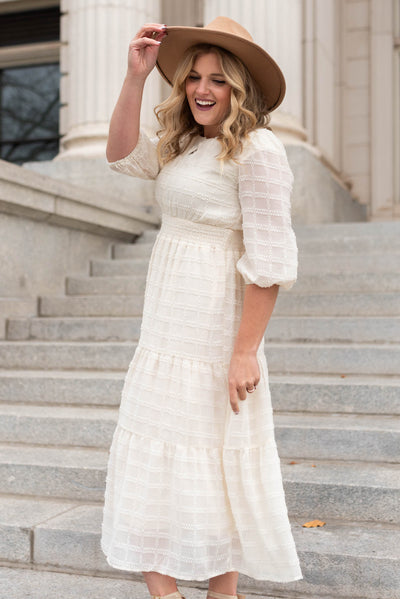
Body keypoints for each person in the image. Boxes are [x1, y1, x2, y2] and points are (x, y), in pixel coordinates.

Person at [101, 16, 303, 599]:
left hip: (217, 331)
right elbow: (118, 155)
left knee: (218, 462)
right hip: (166, 327)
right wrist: (135, 78)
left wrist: (244, 352)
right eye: (193, 77)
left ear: (240, 89)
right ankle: (167, 594)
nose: (202, 89)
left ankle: (224, 593)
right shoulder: (183, 143)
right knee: (151, 453)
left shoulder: (259, 150)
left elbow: (269, 261)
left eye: (218, 79)